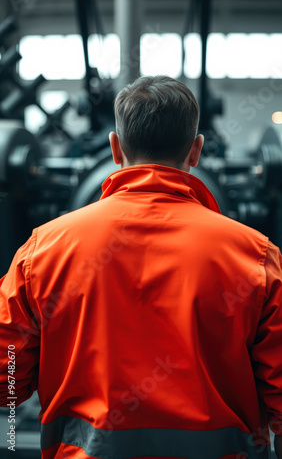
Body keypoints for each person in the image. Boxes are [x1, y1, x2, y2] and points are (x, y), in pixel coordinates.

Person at [0, 75, 281, 459]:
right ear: (195, 151)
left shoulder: (43, 251)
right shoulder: (256, 256)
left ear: (116, 148)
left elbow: (6, 380)